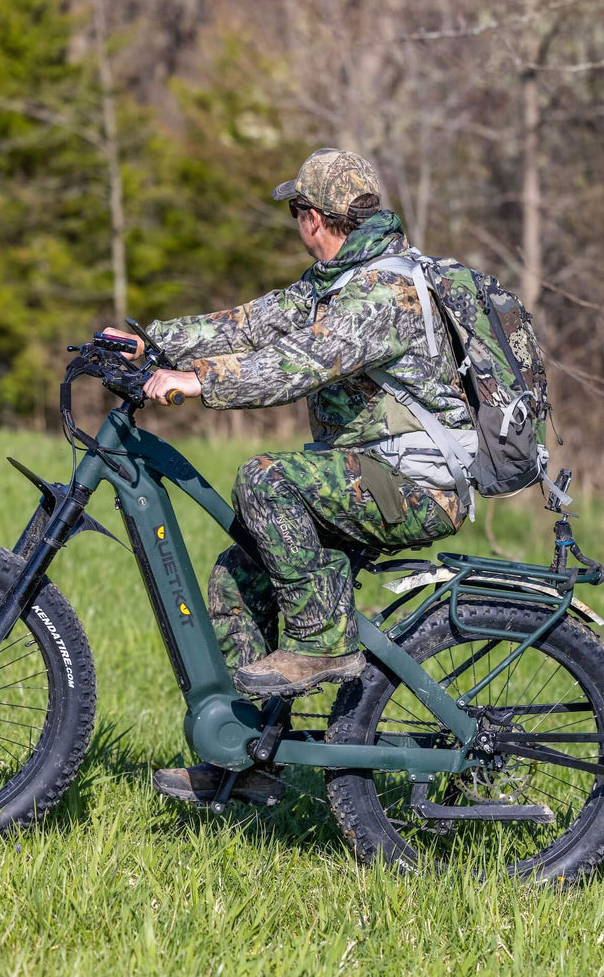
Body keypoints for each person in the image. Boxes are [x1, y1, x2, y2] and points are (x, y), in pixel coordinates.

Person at [107, 148, 473, 806]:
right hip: (371, 478)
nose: (296, 223)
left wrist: (199, 382)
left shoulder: (381, 295)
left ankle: (324, 644)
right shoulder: (334, 280)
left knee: (267, 478)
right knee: (238, 575)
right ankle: (254, 759)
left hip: (417, 488)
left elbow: (296, 365)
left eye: (297, 210)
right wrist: (154, 345)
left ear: (317, 217)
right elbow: (253, 324)